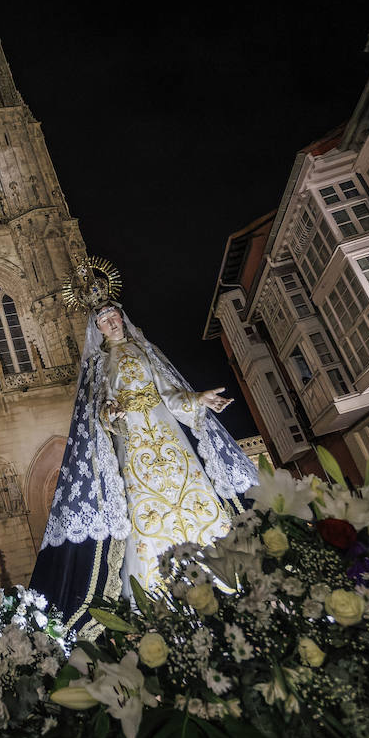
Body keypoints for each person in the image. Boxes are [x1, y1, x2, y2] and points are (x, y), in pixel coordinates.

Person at [29, 255, 259, 635]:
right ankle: (160, 590)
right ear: (97, 328)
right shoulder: (99, 365)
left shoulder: (144, 350)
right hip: (134, 441)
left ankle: (225, 572)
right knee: (145, 505)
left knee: (193, 491)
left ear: (121, 316)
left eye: (114, 315)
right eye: (103, 320)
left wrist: (198, 399)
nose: (111, 322)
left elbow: (169, 392)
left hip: (166, 432)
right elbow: (96, 410)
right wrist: (111, 412)